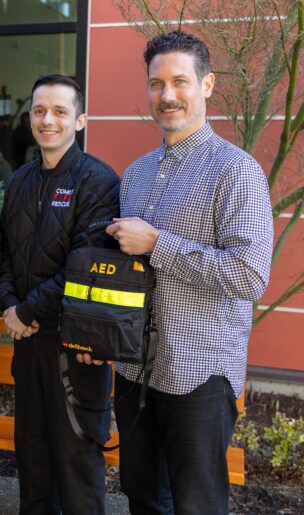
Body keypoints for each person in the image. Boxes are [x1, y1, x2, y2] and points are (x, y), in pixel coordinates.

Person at [106, 31, 273, 514]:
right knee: (142, 498)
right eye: (156, 84)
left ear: (207, 85)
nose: (167, 95)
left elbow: (249, 275)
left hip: (199, 373)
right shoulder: (136, 174)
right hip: (135, 367)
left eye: (180, 81)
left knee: (196, 505)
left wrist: (159, 244)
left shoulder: (236, 172)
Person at [0, 75, 120, 515]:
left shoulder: (99, 182)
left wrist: (27, 309)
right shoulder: (20, 181)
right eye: (40, 111)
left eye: (60, 112)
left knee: (76, 460)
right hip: (27, 342)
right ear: (30, 117)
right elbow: (4, 254)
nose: (48, 120)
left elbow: (85, 268)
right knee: (31, 456)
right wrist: (9, 304)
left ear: (80, 120)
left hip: (74, 346)